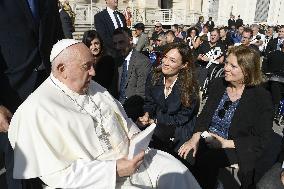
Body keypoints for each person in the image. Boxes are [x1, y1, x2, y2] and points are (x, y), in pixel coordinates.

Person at [8, 39, 201, 189]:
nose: (93, 72)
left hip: (133, 157)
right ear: (62, 69)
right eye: (87, 66)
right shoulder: (36, 110)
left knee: (178, 172)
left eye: (93, 65)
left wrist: (136, 136)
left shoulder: (92, 86)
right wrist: (113, 169)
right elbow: (59, 176)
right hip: (99, 179)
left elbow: (122, 120)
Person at [178, 46, 274, 189]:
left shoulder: (261, 97)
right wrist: (194, 139)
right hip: (208, 138)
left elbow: (261, 139)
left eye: (233, 66)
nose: (226, 68)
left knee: (207, 161)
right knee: (185, 153)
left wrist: (224, 143)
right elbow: (204, 117)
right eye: (226, 63)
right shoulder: (219, 84)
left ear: (247, 71)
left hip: (235, 145)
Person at [0, 1, 63, 188]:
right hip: (11, 98)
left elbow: (57, 41)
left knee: (50, 165)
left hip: (47, 95)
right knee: (20, 170)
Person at [138, 42, 199, 156]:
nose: (165, 63)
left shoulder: (189, 86)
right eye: (165, 57)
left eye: (172, 60)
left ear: (184, 65)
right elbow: (149, 102)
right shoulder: (154, 76)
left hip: (180, 129)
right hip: (157, 125)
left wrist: (155, 121)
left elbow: (182, 118)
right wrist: (146, 114)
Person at [112, 27, 152, 121]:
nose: (117, 47)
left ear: (130, 40)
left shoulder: (142, 61)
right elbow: (112, 90)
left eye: (121, 42)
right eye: (115, 43)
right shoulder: (116, 61)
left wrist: (123, 114)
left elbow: (141, 96)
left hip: (133, 113)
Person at [82, 30, 116, 95]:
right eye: (90, 44)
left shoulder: (108, 59)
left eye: (96, 43)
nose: (94, 47)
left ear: (100, 43)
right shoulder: (83, 60)